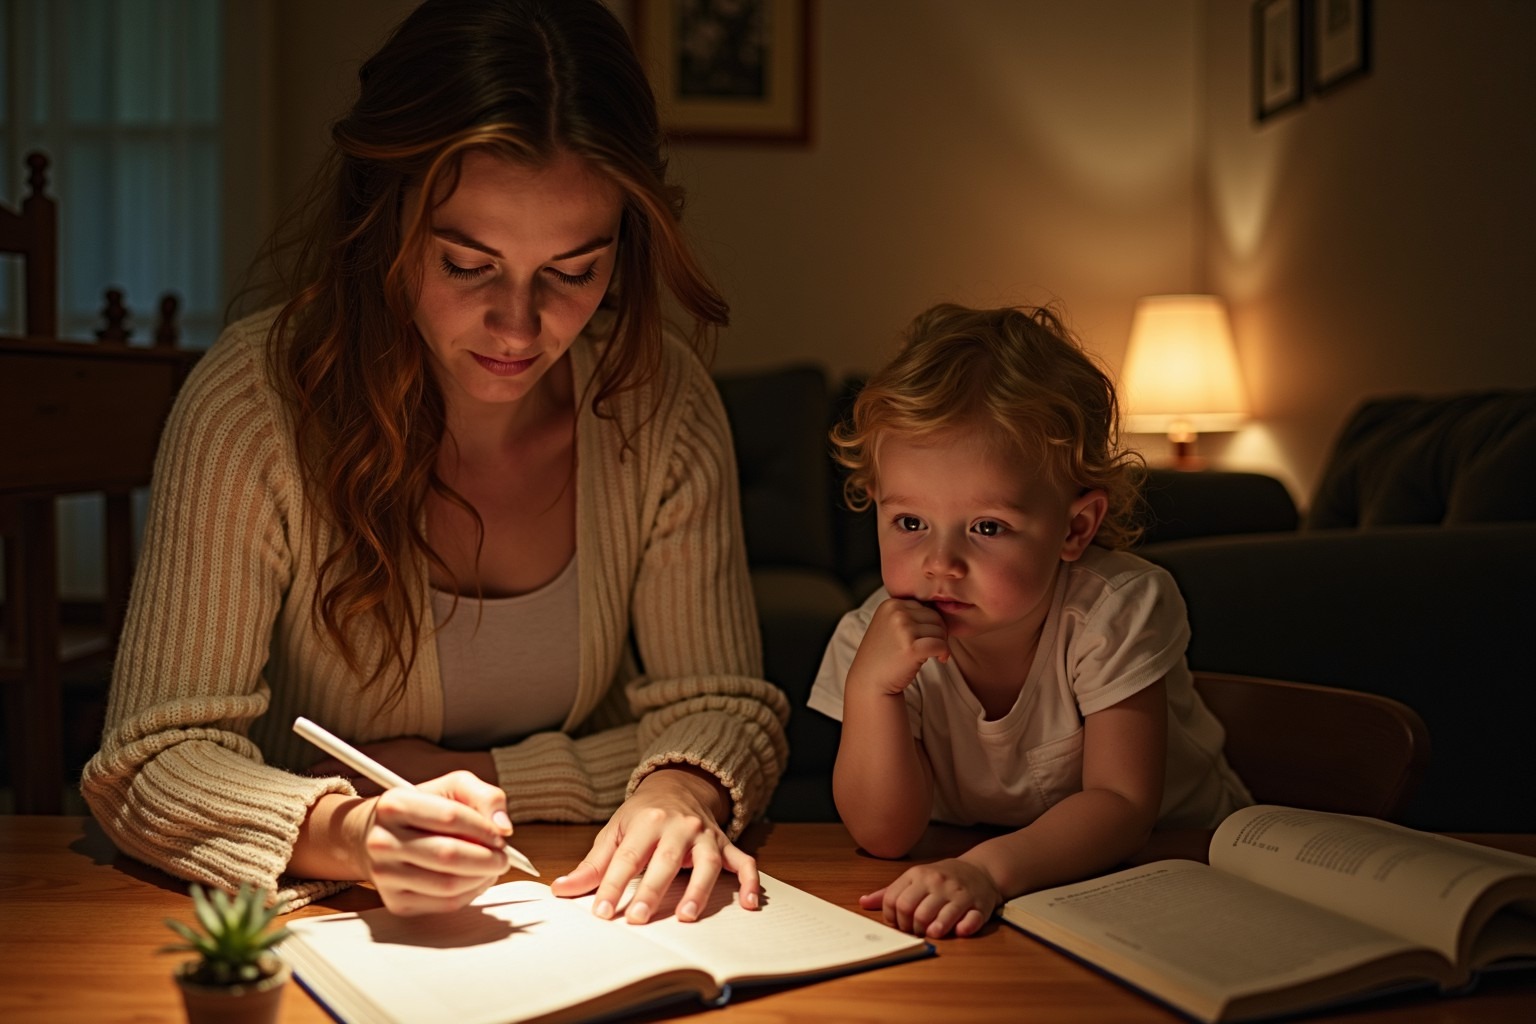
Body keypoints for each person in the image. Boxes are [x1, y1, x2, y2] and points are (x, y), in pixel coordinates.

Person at [81, 0, 788, 923]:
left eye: (574, 272)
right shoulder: (255, 406)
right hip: (325, 923)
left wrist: (680, 790)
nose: (521, 326)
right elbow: (149, 763)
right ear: (385, 221)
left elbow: (726, 708)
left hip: (587, 910)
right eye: (466, 264)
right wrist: (355, 832)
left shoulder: (657, 401)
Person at [808, 303, 1251, 939]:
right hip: (1008, 881)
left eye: (988, 527)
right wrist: (870, 688)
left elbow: (1123, 806)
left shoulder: (1113, 609)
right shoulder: (870, 637)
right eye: (909, 522)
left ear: (1075, 528)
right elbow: (884, 836)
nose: (940, 563)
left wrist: (986, 871)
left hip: (1181, 864)